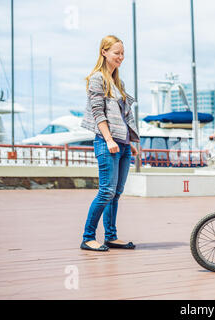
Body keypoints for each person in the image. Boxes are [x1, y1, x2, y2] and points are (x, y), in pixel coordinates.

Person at [80, 35, 140, 251]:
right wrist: (108, 139)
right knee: (106, 191)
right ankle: (88, 237)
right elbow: (98, 113)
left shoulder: (118, 83)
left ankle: (111, 236)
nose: (121, 57)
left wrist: (129, 141)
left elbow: (122, 116)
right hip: (107, 143)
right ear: (104, 52)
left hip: (122, 145)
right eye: (117, 53)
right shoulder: (97, 79)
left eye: (122, 53)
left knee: (116, 193)